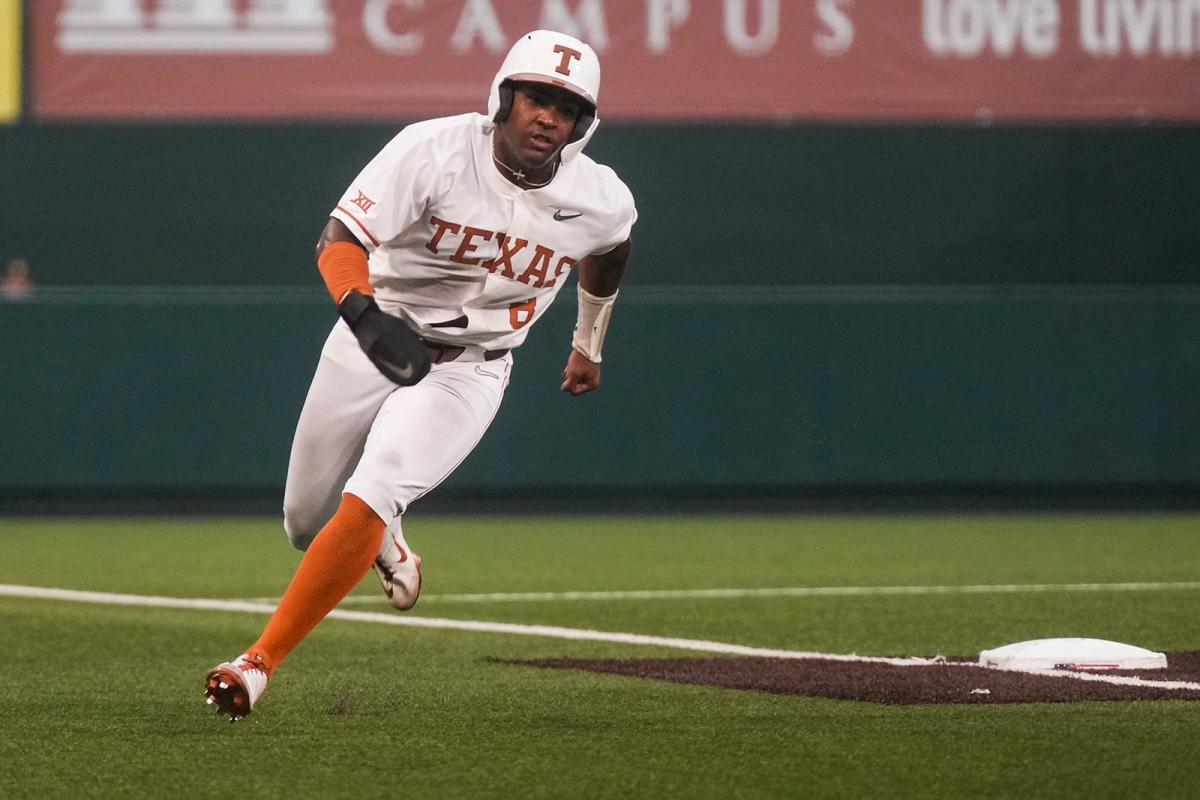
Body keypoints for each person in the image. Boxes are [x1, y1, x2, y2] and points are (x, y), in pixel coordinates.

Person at [204, 30, 636, 721]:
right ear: (504, 97)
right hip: (374, 336)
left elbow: (611, 252)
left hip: (471, 370)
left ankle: (257, 663)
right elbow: (339, 242)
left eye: (566, 107)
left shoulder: (601, 198)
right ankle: (388, 539)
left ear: (583, 125)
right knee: (304, 520)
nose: (548, 116)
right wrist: (369, 320)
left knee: (373, 489)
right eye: (535, 98)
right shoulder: (431, 150)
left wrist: (589, 341)